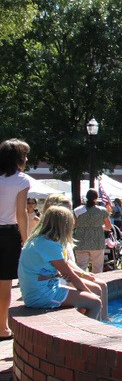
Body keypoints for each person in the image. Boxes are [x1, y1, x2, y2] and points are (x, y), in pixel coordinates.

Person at [18, 206, 107, 320]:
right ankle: (87, 334)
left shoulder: (38, 240)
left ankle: (80, 326)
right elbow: (70, 274)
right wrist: (90, 294)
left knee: (86, 300)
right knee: (95, 303)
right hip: (41, 295)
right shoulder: (50, 245)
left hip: (36, 292)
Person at [0, 138, 31, 341]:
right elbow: (21, 214)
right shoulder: (21, 180)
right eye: (25, 155)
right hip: (7, 235)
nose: (27, 159)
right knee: (4, 284)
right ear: (18, 158)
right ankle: (2, 328)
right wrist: (26, 239)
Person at [73, 189, 114, 274]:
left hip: (81, 242)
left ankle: (81, 284)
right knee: (97, 268)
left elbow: (74, 225)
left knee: (81, 267)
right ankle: (97, 285)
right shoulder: (102, 210)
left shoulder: (77, 210)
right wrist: (100, 227)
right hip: (97, 242)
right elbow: (108, 226)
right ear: (96, 198)